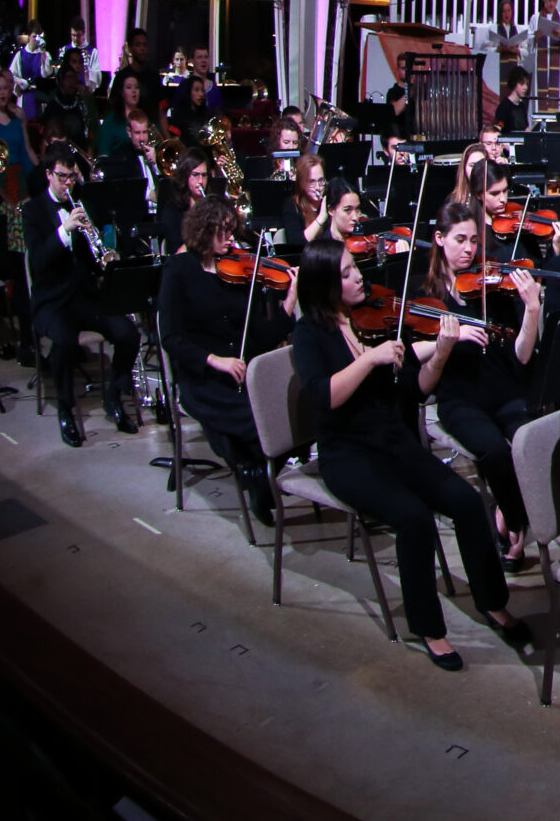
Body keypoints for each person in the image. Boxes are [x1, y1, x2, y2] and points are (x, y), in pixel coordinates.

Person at [289, 240, 529, 669]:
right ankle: (430, 629)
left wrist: (438, 355)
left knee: (468, 502)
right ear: (324, 284)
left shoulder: (377, 319)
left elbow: (413, 390)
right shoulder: (310, 334)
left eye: (355, 268)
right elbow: (324, 398)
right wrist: (369, 361)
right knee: (414, 519)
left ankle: (493, 603)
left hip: (394, 440)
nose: (359, 276)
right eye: (345, 273)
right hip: (348, 454)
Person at [418, 198, 547, 563]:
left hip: (505, 389)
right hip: (460, 398)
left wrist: (532, 311)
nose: (469, 249)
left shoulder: (492, 285)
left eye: (474, 241)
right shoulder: (427, 296)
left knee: (529, 442)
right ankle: (520, 524)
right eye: (460, 240)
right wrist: (446, 341)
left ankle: (505, 516)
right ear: (440, 239)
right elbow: (421, 372)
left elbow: (521, 356)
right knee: (495, 451)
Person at [157, 197, 291, 523]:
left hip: (241, 372)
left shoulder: (237, 269)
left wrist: (291, 299)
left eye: (233, 231)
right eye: (225, 232)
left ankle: (251, 465)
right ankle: (252, 469)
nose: (232, 239)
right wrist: (215, 360)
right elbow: (171, 338)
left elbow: (261, 335)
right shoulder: (178, 271)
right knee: (255, 419)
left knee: (285, 414)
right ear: (205, 230)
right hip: (201, 376)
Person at [26, 141, 139, 446]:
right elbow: (38, 262)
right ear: (49, 174)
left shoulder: (80, 204)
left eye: (72, 177)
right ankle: (66, 408)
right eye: (62, 177)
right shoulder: (33, 210)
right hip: (52, 301)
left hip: (84, 297)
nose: (68, 183)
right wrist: (64, 231)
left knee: (128, 332)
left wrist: (99, 250)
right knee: (63, 342)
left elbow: (90, 261)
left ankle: (113, 396)